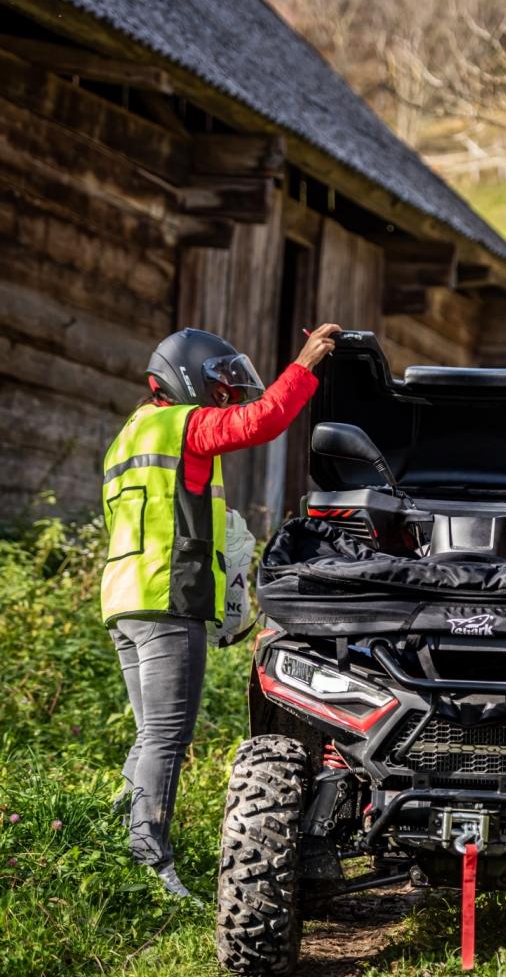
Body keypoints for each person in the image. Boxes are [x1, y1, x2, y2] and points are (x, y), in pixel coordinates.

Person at [101, 323, 340, 899]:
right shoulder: (184, 424)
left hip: (125, 600)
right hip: (167, 599)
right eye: (215, 384)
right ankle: (151, 864)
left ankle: (116, 845)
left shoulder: (131, 432)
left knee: (147, 734)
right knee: (166, 736)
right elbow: (262, 421)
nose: (223, 395)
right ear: (183, 379)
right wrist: (305, 363)